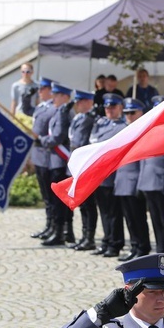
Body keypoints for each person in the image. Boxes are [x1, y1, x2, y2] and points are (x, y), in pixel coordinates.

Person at [90, 93, 127, 258]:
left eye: (113, 107)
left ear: (120, 108)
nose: (109, 111)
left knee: (113, 213)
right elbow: (92, 141)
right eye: (107, 107)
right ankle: (106, 239)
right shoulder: (100, 124)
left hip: (111, 175)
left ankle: (115, 242)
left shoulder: (123, 127)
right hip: (99, 174)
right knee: (104, 211)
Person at [115, 98, 152, 262]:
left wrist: (141, 183)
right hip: (122, 179)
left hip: (136, 180)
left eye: (132, 113)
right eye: (126, 113)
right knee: (129, 218)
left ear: (141, 113)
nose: (129, 116)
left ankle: (143, 247)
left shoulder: (143, 132)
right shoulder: (124, 130)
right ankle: (135, 246)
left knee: (138, 217)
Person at [37, 82, 73, 246]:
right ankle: (59, 230)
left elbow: (58, 137)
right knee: (54, 199)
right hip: (54, 160)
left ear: (65, 97)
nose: (54, 98)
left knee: (59, 200)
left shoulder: (64, 113)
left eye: (57, 95)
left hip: (59, 161)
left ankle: (60, 232)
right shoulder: (60, 111)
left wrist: (42, 140)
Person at [139, 96, 164, 259]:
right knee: (156, 220)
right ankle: (161, 251)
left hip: (163, 182)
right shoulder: (150, 130)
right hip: (148, 181)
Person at [68, 89, 99, 251]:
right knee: (83, 204)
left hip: (86, 167)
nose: (78, 104)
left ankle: (89, 237)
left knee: (88, 204)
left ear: (88, 102)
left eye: (81, 101)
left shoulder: (89, 119)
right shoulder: (78, 118)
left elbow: (81, 142)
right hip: (78, 166)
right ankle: (84, 235)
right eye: (77, 101)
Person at [29, 78, 57, 241]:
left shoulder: (53, 109)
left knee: (51, 196)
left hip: (48, 156)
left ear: (50, 90)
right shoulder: (40, 107)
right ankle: (49, 225)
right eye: (38, 89)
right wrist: (28, 96)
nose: (39, 91)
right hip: (38, 155)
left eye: (42, 89)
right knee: (45, 196)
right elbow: (26, 109)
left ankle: (54, 226)